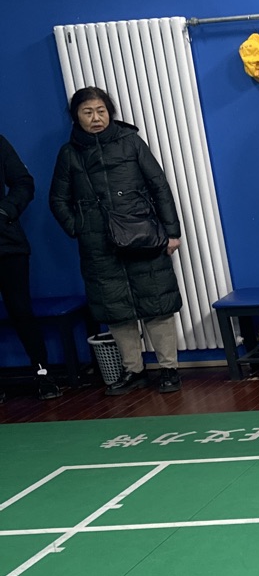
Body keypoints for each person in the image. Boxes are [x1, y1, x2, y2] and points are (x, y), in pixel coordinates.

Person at [49, 87, 184, 396]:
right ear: (76, 117)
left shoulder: (131, 142)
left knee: (157, 304)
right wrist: (80, 228)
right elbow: (57, 200)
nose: (96, 118)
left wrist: (172, 232)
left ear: (110, 113)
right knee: (116, 310)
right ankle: (133, 371)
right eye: (87, 112)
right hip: (99, 246)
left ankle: (169, 369)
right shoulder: (69, 154)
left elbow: (159, 186)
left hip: (143, 237)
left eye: (101, 111)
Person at [0, 133, 60, 399]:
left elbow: (23, 182)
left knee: (21, 311)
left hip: (6, 244)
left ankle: (43, 374)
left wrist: (5, 210)